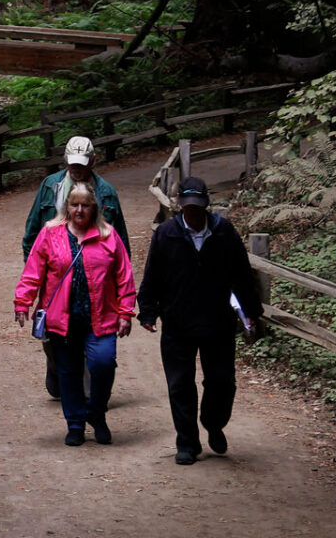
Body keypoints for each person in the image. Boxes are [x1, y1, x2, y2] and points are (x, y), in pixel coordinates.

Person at [137, 176, 263, 465]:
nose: (193, 213)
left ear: (206, 204)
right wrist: (147, 311)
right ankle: (187, 442)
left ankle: (213, 422)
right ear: (180, 204)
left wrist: (251, 312)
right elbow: (152, 276)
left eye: (198, 207)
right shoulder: (167, 234)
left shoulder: (223, 232)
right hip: (177, 322)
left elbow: (242, 275)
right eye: (188, 206)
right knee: (180, 384)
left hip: (217, 321)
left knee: (222, 383)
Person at [14, 182, 137, 446]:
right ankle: (76, 424)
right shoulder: (51, 233)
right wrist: (23, 301)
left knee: (103, 364)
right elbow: (33, 270)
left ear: (94, 208)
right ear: (67, 206)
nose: (79, 210)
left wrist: (126, 311)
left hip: (101, 316)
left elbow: (123, 276)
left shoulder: (108, 235)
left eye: (85, 205)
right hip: (62, 318)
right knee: (68, 372)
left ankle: (96, 412)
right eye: (74, 204)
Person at [21, 136, 128, 398]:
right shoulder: (51, 187)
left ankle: (90, 397)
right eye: (72, 163)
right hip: (56, 275)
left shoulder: (107, 193)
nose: (76, 168)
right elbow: (32, 232)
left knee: (94, 335)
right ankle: (57, 367)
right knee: (54, 336)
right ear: (65, 160)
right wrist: (35, 272)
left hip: (95, 277)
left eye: (82, 163)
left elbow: (120, 243)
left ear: (93, 160)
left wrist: (119, 291)